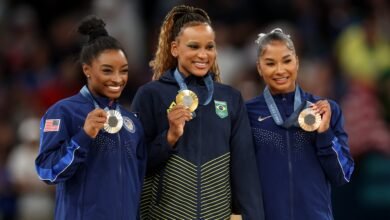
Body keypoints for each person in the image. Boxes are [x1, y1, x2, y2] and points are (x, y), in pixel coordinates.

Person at [131, 5, 264, 220]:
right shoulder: (150, 95)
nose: (203, 55)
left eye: (209, 47)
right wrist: (168, 138)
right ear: (175, 48)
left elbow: (244, 169)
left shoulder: (230, 98)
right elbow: (134, 164)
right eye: (194, 46)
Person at [35, 16, 146, 220]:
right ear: (87, 69)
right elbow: (47, 171)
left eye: (124, 71)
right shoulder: (63, 112)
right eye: (107, 70)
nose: (117, 79)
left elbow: (138, 184)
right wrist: (83, 136)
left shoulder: (132, 123)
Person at [245, 28, 355, 220]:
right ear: (259, 67)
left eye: (287, 61)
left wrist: (324, 133)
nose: (280, 70)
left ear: (297, 62)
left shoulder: (325, 110)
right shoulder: (247, 113)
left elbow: (343, 175)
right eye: (270, 63)